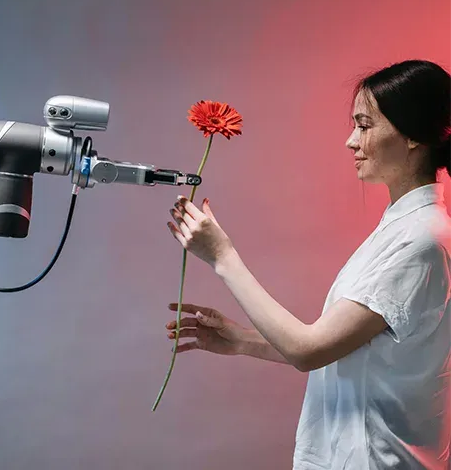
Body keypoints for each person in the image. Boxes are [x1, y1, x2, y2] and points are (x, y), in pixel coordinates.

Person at [165, 60, 451, 469]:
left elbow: (308, 350)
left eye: (364, 126)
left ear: (412, 136)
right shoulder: (402, 229)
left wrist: (222, 256)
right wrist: (241, 340)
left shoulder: (421, 240)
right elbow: (345, 349)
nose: (350, 141)